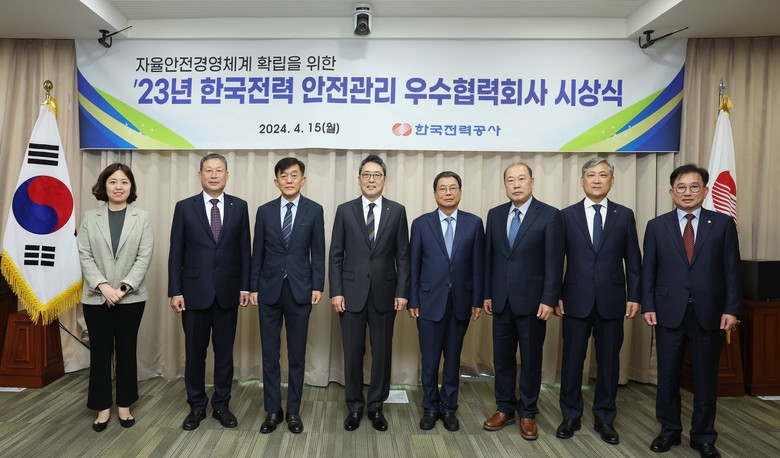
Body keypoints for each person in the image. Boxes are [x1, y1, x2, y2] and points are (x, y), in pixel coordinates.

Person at [641, 163, 740, 458]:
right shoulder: (656, 226)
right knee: (667, 377)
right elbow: (649, 271)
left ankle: (703, 436)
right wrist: (648, 304)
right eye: (681, 187)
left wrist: (732, 309)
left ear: (705, 191)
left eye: (694, 186)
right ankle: (669, 430)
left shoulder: (722, 224)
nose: (687, 192)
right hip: (668, 312)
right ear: (671, 192)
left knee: (705, 379)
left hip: (709, 313)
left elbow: (732, 270)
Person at [554, 158, 641, 444]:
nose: (596, 180)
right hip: (574, 300)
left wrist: (635, 295)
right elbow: (556, 260)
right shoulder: (566, 216)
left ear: (612, 181)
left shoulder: (624, 215)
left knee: (609, 363)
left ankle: (605, 419)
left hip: (612, 301)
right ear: (582, 181)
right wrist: (555, 295)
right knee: (572, 362)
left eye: (603, 175)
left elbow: (634, 259)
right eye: (590, 175)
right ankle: (570, 415)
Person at [168, 153, 251, 431]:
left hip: (228, 292)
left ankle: (221, 405)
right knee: (195, 354)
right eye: (208, 170)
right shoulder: (184, 207)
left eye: (219, 170)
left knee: (224, 354)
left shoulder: (240, 206)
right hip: (193, 294)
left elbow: (245, 250)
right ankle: (196, 406)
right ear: (199, 175)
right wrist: (175, 290)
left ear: (227, 175)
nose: (214, 175)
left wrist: (245, 286)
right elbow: (176, 252)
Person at [482, 161, 564, 440]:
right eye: (510, 180)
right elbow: (489, 259)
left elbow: (554, 262)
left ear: (532, 181)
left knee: (530, 360)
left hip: (533, 303)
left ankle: (528, 412)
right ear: (505, 185)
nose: (516, 184)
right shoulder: (495, 215)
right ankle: (505, 408)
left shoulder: (550, 215)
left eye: (521, 179)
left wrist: (549, 299)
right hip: (501, 301)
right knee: (502, 359)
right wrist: (487, 293)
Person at [329, 154, 410, 432]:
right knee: (353, 353)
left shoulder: (397, 211)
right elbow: (335, 255)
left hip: (385, 293)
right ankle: (354, 406)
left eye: (377, 175)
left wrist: (402, 292)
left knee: (382, 353)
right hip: (350, 294)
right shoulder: (345, 210)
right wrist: (336, 291)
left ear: (385, 179)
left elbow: (403, 256)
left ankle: (376, 406)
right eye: (366, 174)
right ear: (359, 179)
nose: (371, 179)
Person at [250, 157, 325, 434]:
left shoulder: (314, 210)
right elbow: (257, 252)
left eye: (294, 175)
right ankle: (273, 410)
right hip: (269, 290)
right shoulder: (265, 211)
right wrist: (253, 287)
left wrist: (317, 286)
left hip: (300, 290)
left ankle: (293, 410)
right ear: (276, 181)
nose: (289, 180)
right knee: (270, 354)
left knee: (296, 355)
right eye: (284, 176)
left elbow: (318, 252)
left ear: (303, 180)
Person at [77, 163, 154, 432]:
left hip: (130, 298)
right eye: (113, 182)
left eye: (124, 182)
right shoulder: (90, 218)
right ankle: (102, 408)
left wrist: (122, 289)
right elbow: (85, 254)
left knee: (126, 350)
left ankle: (124, 405)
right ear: (104, 186)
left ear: (131, 187)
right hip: (95, 297)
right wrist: (103, 287)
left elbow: (144, 256)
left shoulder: (142, 218)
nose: (118, 187)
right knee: (100, 353)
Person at [408, 171, 484, 432]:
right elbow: (414, 265)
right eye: (442, 188)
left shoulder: (474, 223)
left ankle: (449, 408)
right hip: (428, 302)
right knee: (430, 361)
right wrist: (413, 299)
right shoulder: (421, 224)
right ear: (435, 193)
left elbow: (478, 266)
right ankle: (430, 407)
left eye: (453, 188)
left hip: (460, 302)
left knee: (452, 360)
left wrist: (477, 299)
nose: (448, 192)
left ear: (460, 192)